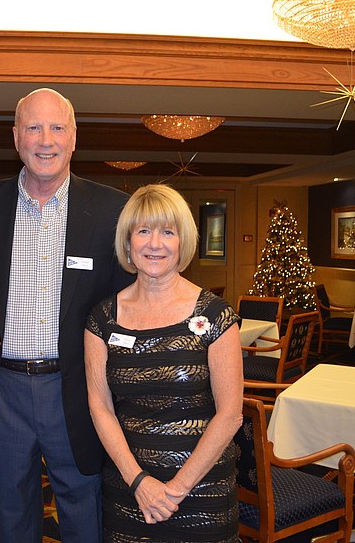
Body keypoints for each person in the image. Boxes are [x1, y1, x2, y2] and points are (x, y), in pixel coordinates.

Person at [0, 88, 133, 542]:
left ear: (74, 137)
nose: (45, 139)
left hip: (76, 388)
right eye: (33, 127)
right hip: (1, 389)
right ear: (16, 137)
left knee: (83, 506)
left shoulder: (112, 211)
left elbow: (125, 307)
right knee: (7, 511)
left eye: (57, 127)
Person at [84, 184, 243, 542]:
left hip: (202, 492)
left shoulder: (216, 316)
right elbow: (100, 407)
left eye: (167, 232)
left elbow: (231, 414)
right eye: (143, 231)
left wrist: (175, 489)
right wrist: (139, 482)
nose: (155, 244)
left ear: (182, 243)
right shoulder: (102, 319)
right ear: (127, 243)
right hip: (129, 491)